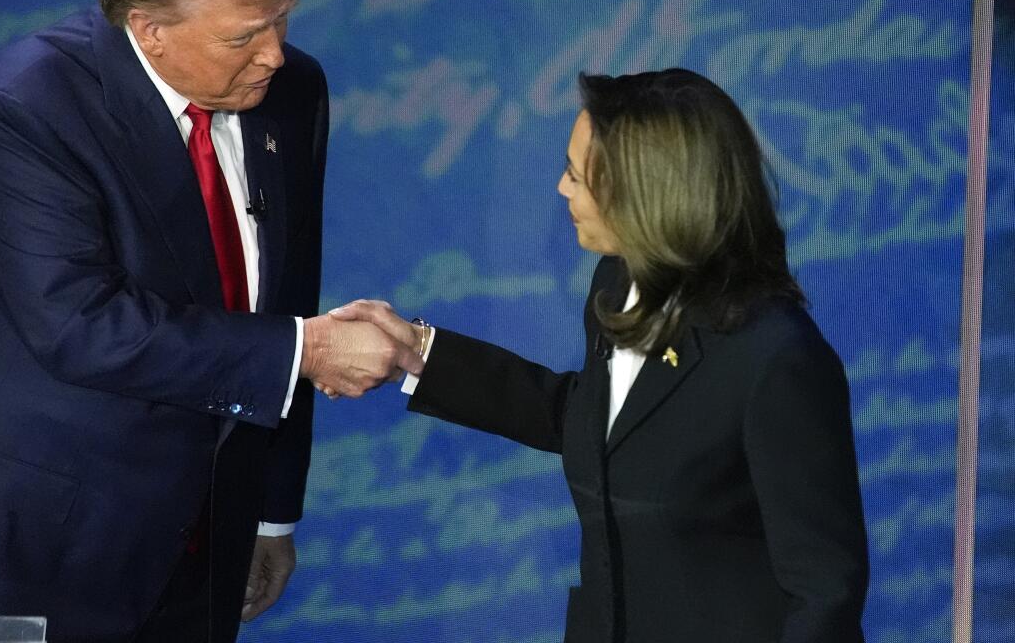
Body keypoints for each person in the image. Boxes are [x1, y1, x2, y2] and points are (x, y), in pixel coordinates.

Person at [0, 0, 420, 643]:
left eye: (281, 20)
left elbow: (285, 292)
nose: (274, 54)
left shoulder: (292, 90)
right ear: (148, 30)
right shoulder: (28, 104)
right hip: (18, 532)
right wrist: (308, 351)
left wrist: (271, 510)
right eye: (244, 36)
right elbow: (80, 324)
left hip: (201, 534)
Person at [334, 69, 870, 643]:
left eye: (575, 174)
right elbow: (599, 423)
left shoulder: (775, 359)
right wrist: (420, 354)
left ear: (646, 196)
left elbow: (824, 592)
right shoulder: (616, 283)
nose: (563, 189)